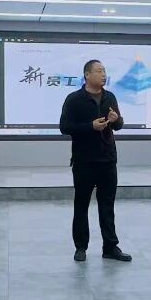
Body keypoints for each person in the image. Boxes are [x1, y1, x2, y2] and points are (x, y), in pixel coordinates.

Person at [59, 59, 131, 262]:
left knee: (107, 206)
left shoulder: (110, 97)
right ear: (87, 75)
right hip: (84, 161)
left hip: (108, 160)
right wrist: (90, 126)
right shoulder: (74, 99)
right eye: (99, 71)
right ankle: (81, 247)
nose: (104, 74)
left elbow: (118, 125)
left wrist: (117, 120)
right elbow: (64, 127)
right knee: (81, 205)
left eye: (105, 71)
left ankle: (110, 247)